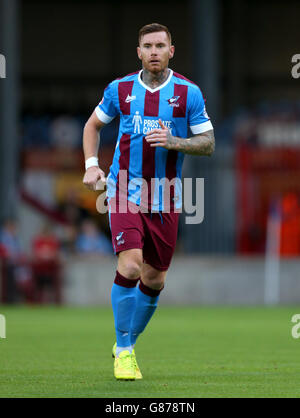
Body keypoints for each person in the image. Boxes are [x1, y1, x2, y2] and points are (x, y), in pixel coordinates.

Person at [82, 23, 215, 380]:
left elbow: (208, 143)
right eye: (147, 46)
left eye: (160, 45)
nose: (154, 51)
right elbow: (92, 126)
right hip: (123, 188)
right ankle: (124, 349)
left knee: (154, 279)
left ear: (172, 50)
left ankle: (126, 342)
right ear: (138, 52)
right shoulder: (120, 89)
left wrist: (176, 142)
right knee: (130, 265)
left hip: (167, 198)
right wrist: (92, 166)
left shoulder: (189, 93)